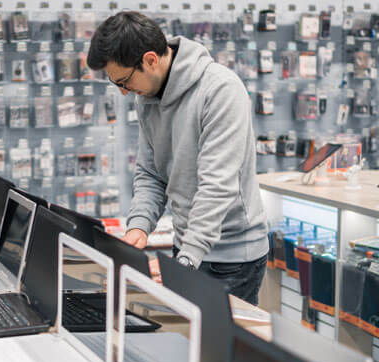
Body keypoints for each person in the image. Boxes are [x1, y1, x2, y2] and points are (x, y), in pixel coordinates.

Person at [87, 11, 269, 305]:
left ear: (149, 60)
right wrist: (139, 227)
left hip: (233, 257)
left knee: (217, 350)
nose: (122, 93)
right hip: (187, 249)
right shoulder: (146, 97)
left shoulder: (220, 90)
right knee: (182, 344)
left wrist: (184, 264)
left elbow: (216, 186)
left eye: (123, 81)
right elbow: (151, 173)